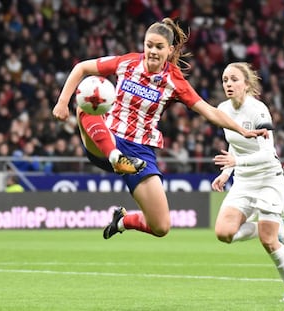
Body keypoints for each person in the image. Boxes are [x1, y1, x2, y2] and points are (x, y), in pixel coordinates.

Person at [52, 18, 267, 239]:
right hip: (106, 138)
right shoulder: (127, 63)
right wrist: (62, 101)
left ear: (170, 49)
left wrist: (242, 130)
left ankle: (123, 221)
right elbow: (82, 68)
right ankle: (115, 157)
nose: (152, 51)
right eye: (149, 45)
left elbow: (209, 111)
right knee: (88, 102)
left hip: (139, 152)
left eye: (159, 47)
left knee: (161, 226)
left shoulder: (174, 81)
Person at [211, 62, 284, 302]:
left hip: (268, 178)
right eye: (225, 80)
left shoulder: (258, 110)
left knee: (268, 240)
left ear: (246, 84)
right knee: (223, 233)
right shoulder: (222, 109)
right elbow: (235, 141)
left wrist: (236, 162)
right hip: (243, 180)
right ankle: (275, 227)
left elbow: (267, 152)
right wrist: (226, 173)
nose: (228, 84)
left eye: (233, 80)